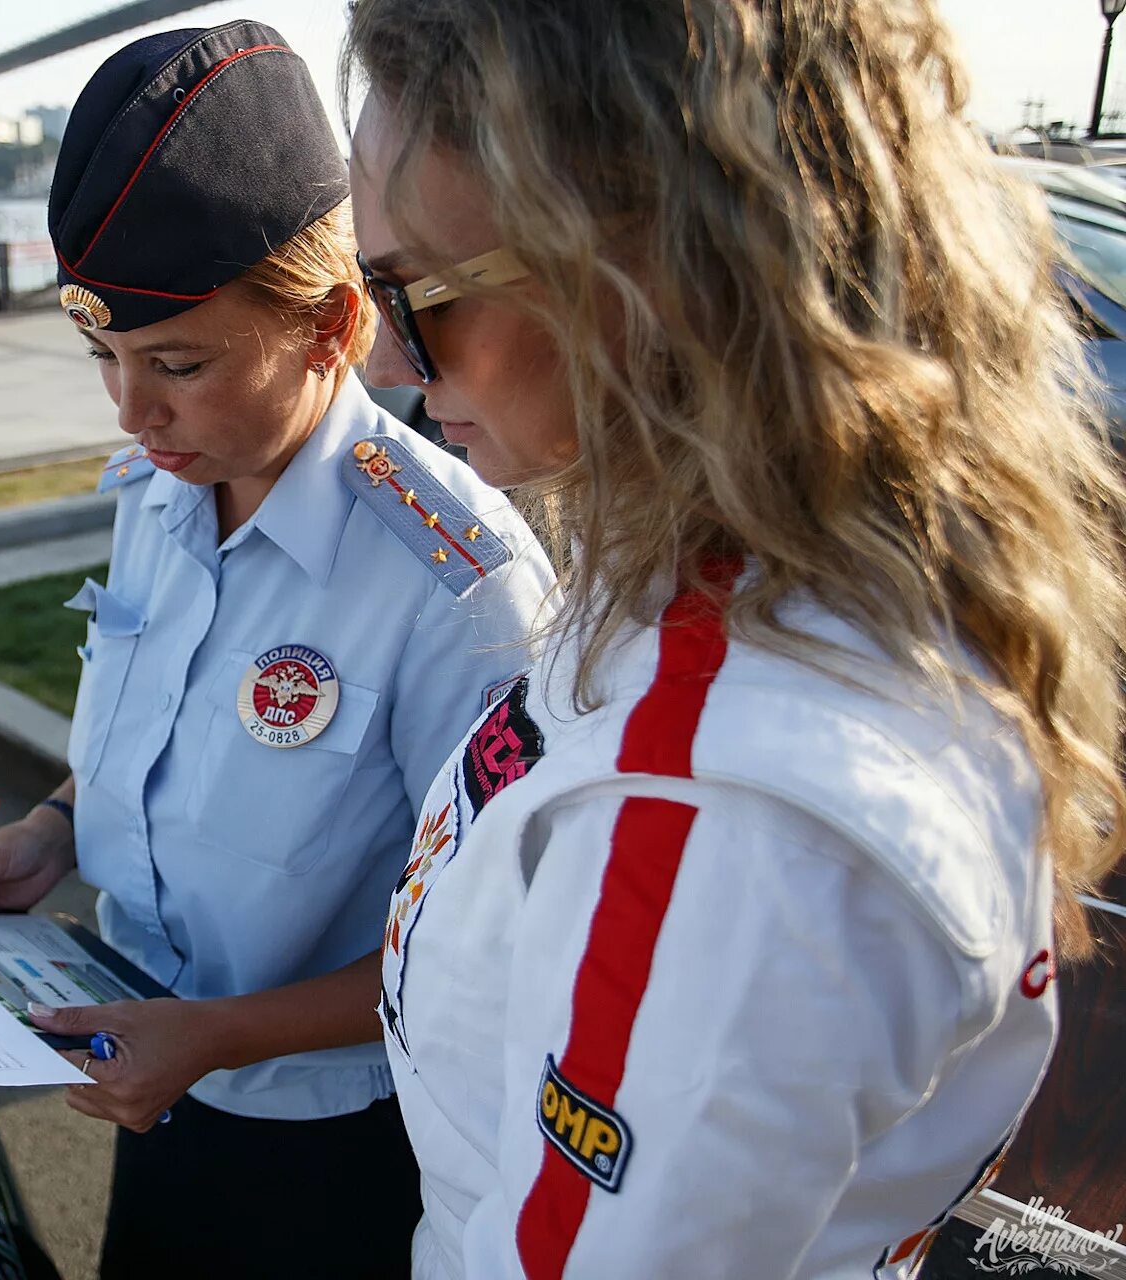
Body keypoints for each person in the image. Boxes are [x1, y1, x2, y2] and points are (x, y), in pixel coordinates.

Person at [345, 1, 1126, 1277]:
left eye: (412, 291)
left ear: (651, 276)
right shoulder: (735, 557)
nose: (380, 352)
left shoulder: (729, 813)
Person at [0, 22, 555, 1279]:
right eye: (106, 360)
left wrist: (216, 1035)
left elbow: (488, 953)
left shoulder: (455, 583)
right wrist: (47, 825)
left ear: (332, 326)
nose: (134, 412)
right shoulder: (162, 483)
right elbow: (154, 726)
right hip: (151, 1080)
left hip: (332, 1147)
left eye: (179, 365)